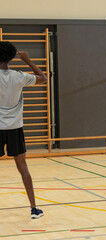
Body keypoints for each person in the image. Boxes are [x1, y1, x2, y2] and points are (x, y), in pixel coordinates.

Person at [0, 41, 47, 218]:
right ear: (12, 57)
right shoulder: (19, 76)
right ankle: (34, 209)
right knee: (23, 167)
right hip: (14, 128)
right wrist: (28, 60)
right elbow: (43, 78)